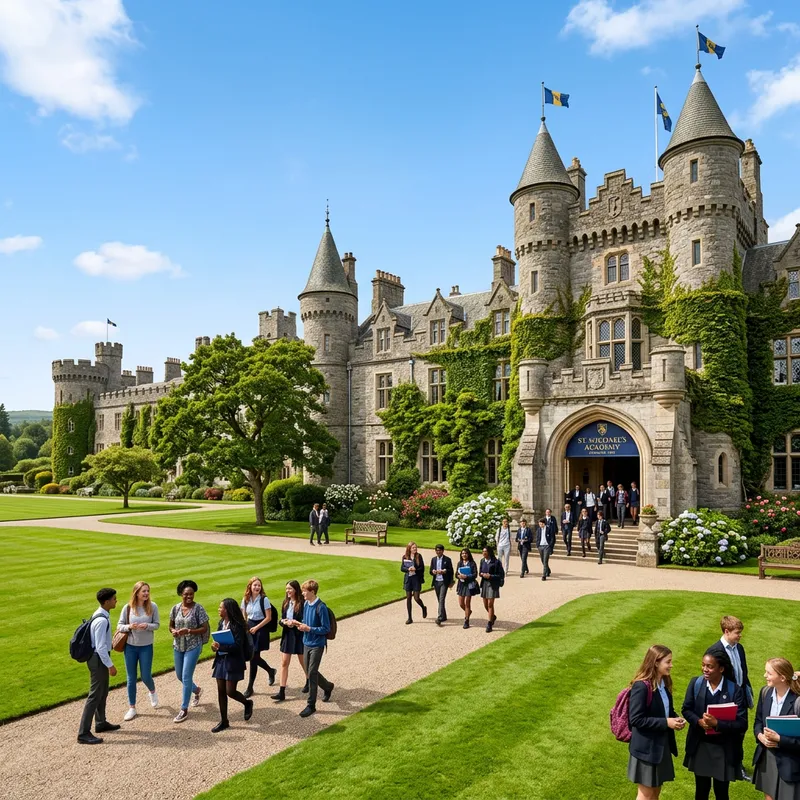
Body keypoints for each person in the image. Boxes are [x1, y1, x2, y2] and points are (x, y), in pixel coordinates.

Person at [682, 648, 747, 800]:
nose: (705, 669)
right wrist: (698, 722)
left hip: (723, 749)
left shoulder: (735, 690)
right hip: (701, 746)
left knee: (722, 792)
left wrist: (717, 723)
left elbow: (742, 723)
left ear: (721, 669)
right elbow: (686, 709)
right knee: (701, 791)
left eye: (710, 666)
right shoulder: (696, 683)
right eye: (703, 665)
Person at [627, 644, 686, 798]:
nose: (671, 665)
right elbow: (636, 719)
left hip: (660, 746)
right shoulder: (641, 686)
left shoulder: (663, 683)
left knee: (656, 791)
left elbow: (665, 710)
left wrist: (675, 718)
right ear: (656, 662)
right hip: (646, 749)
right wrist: (666, 722)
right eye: (668, 662)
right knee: (646, 794)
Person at [710, 615, 753, 781]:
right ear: (726, 631)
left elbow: (743, 671)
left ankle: (737, 765)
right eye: (737, 633)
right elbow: (712, 679)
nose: (740, 635)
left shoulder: (739, 648)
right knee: (727, 732)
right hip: (726, 700)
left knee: (741, 731)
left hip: (740, 696)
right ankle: (729, 764)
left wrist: (746, 691)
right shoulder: (715, 651)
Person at [752, 657, 800, 799]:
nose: (765, 675)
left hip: (790, 763)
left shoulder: (798, 702)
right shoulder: (765, 692)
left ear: (782, 677)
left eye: (769, 673)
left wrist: (779, 739)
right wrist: (760, 736)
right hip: (768, 758)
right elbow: (758, 721)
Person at [77, 588, 120, 744]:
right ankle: (83, 733)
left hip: (97, 658)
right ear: (106, 601)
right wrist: (110, 665)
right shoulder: (102, 620)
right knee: (95, 695)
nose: (116, 601)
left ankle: (101, 723)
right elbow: (100, 647)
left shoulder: (99, 614)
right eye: (114, 599)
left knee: (102, 692)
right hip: (99, 659)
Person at [285, 579, 333, 718]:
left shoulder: (321, 607)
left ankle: (311, 705)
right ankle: (328, 686)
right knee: (311, 671)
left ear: (312, 592)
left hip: (317, 644)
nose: (302, 593)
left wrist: (309, 628)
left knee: (311, 673)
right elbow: (306, 622)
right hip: (306, 642)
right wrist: (297, 623)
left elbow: (326, 628)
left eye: (305, 591)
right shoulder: (306, 604)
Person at [117, 580, 160, 722]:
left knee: (146, 676)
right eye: (144, 591)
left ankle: (152, 692)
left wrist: (146, 625)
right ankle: (132, 707)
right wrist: (130, 627)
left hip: (146, 646)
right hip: (130, 646)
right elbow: (120, 626)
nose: (147, 593)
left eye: (148, 591)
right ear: (137, 593)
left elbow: (157, 625)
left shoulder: (153, 607)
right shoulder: (127, 608)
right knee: (131, 678)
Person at [210, 598, 253, 732]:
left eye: (220, 607)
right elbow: (218, 641)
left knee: (230, 692)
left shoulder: (237, 625)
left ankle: (247, 703)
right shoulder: (221, 623)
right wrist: (215, 647)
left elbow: (237, 645)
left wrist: (221, 646)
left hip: (233, 661)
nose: (219, 609)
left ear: (227, 610)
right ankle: (224, 721)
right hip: (221, 660)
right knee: (221, 691)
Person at [169, 579, 209, 723]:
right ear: (181, 594)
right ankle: (197, 690)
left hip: (193, 645)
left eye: (191, 594)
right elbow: (171, 626)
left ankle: (184, 709)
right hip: (178, 645)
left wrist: (189, 630)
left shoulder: (199, 609)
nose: (189, 597)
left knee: (186, 676)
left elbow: (204, 628)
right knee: (180, 676)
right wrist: (173, 631)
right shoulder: (175, 608)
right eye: (186, 594)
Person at [241, 576, 277, 698]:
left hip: (261, 628)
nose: (257, 587)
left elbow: (268, 618)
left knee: (254, 658)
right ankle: (270, 671)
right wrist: (245, 626)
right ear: (250, 586)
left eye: (259, 585)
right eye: (255, 585)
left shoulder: (264, 599)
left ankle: (250, 687)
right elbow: (243, 615)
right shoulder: (245, 599)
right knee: (254, 657)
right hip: (250, 627)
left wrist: (256, 628)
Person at [272, 580, 307, 702]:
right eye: (286, 589)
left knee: (303, 661)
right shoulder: (286, 603)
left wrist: (294, 623)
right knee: (284, 663)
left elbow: (304, 621)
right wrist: (284, 622)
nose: (288, 591)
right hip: (287, 634)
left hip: (299, 635)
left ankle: (308, 680)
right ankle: (282, 691)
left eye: (290, 589)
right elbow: (281, 619)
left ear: (295, 590)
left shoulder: (302, 604)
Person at [401, 541, 427, 624]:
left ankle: (423, 607)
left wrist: (415, 569)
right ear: (409, 548)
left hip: (416, 579)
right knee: (408, 598)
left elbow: (422, 568)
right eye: (413, 548)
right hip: (408, 579)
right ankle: (409, 618)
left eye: (416, 547)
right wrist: (408, 569)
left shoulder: (419, 556)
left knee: (416, 598)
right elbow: (402, 568)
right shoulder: (405, 556)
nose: (415, 549)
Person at [479, 546, 502, 633]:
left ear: (489, 552)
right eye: (483, 551)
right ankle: (493, 616)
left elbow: (500, 575)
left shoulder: (496, 562)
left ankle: (489, 623)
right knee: (485, 604)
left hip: (493, 584)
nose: (484, 553)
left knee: (490, 604)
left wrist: (490, 576)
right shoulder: (482, 561)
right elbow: (480, 572)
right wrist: (482, 574)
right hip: (484, 583)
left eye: (485, 551)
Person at [429, 544, 454, 626]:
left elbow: (451, 571)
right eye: (437, 550)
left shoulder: (447, 559)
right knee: (439, 600)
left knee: (441, 599)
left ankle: (439, 618)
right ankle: (444, 616)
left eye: (439, 550)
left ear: (443, 551)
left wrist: (444, 571)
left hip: (444, 582)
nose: (438, 552)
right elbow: (430, 571)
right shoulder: (433, 559)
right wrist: (433, 572)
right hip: (436, 582)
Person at [455, 548, 479, 628]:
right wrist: (459, 576)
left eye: (465, 553)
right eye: (462, 553)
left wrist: (467, 576)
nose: (464, 555)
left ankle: (466, 620)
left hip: (469, 585)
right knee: (461, 603)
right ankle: (468, 612)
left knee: (467, 602)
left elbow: (475, 574)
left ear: (468, 554)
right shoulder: (460, 563)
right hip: (461, 584)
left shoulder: (472, 563)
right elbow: (456, 574)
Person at [536, 516, 555, 581]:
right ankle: (548, 570)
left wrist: (550, 545)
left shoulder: (549, 529)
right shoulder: (538, 529)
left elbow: (552, 538)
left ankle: (544, 575)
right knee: (542, 560)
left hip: (547, 546)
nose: (540, 525)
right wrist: (537, 545)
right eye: (539, 524)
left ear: (544, 523)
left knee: (545, 560)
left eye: (541, 524)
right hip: (540, 546)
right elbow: (538, 537)